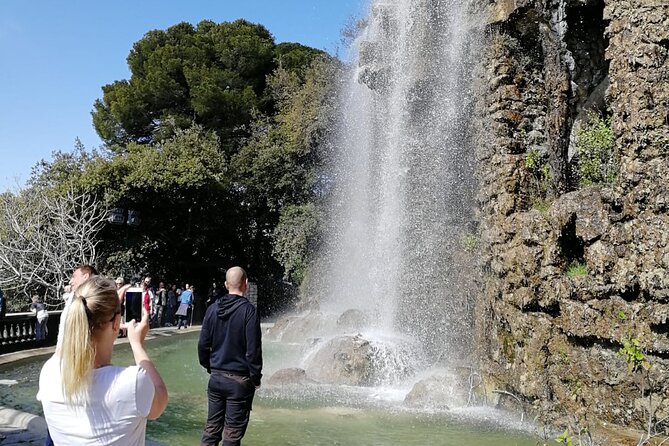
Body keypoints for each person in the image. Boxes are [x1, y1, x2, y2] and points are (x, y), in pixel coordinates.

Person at [37, 276, 168, 445]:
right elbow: (160, 400)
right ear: (116, 323)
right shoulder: (132, 382)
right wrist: (137, 345)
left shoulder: (49, 372)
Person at [198, 267, 262, 446]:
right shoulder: (249, 311)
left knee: (211, 431)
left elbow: (203, 345)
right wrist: (255, 378)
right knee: (232, 436)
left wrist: (209, 366)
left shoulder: (212, 309)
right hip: (239, 382)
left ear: (226, 285)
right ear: (246, 285)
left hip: (216, 378)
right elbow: (253, 350)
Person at [56, 264, 98, 350]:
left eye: (74, 277)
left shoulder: (94, 302)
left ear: (85, 276)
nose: (70, 281)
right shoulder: (73, 297)